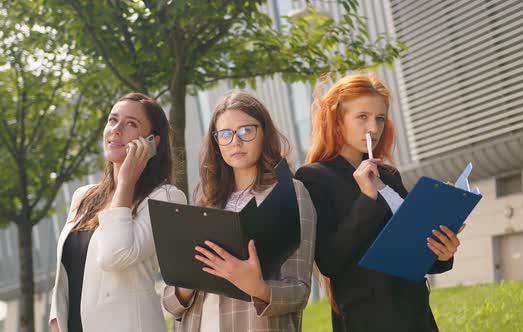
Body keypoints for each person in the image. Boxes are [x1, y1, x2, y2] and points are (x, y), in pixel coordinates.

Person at [294, 73, 463, 332]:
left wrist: (443, 252)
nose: (373, 128)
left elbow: (414, 250)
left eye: (379, 118)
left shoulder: (390, 176)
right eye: (362, 117)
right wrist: (367, 198)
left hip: (416, 314)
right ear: (337, 120)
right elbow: (328, 261)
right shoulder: (314, 177)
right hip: (367, 319)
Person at [161, 91, 316, 331]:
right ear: (216, 142)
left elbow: (300, 292)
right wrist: (187, 283)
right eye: (225, 134)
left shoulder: (290, 193)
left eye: (246, 130)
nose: (236, 141)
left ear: (264, 133)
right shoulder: (205, 200)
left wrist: (258, 288)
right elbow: (172, 303)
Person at [49, 92, 187, 332]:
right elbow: (66, 276)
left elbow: (114, 255)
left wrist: (125, 182)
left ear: (152, 142)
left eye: (131, 123)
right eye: (112, 120)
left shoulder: (165, 198)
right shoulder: (83, 196)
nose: (116, 129)